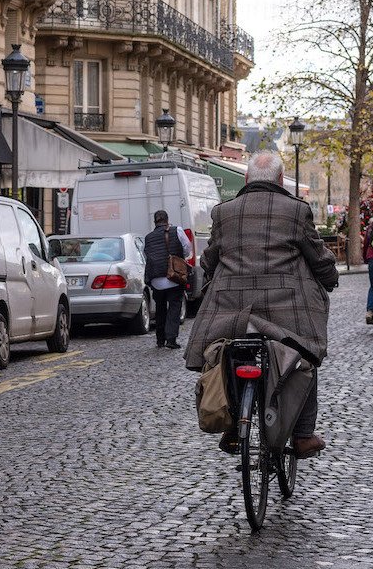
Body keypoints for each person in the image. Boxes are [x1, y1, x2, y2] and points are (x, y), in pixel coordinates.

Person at [184, 150, 338, 457]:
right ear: (281, 179)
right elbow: (318, 258)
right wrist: (329, 278)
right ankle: (303, 435)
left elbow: (209, 259)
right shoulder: (296, 211)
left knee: (228, 352)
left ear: (246, 178)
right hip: (286, 309)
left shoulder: (223, 212)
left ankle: (231, 426)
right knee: (305, 355)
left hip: (232, 308)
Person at [143, 209, 192, 350]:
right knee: (175, 307)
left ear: (155, 221)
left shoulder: (148, 237)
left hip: (156, 280)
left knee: (160, 309)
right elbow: (187, 249)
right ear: (167, 219)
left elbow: (147, 256)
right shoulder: (176, 230)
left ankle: (160, 340)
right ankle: (171, 339)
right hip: (174, 277)